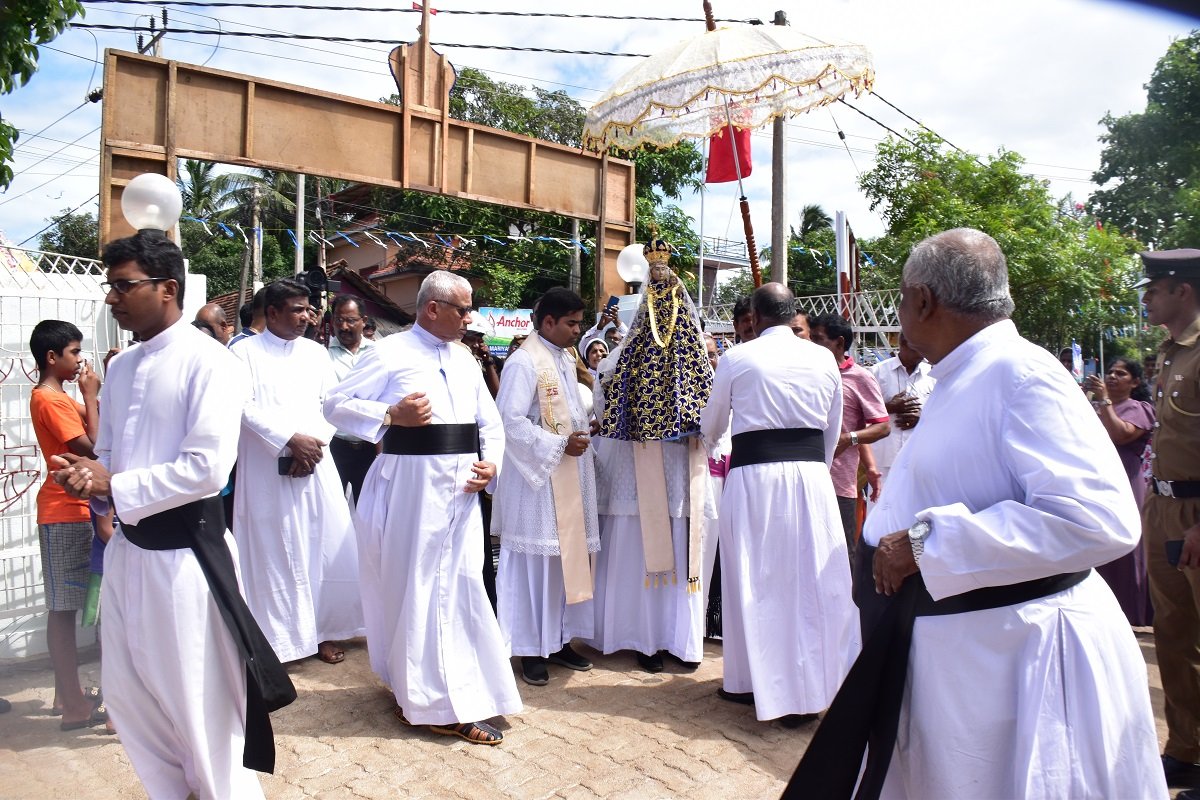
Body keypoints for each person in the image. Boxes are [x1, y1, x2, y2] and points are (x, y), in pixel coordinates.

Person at [786, 228, 1164, 799]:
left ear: (923, 301)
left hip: (1010, 663)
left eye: (900, 297)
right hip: (960, 654)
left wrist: (925, 544)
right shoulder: (962, 374)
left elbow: (1099, 518)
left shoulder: (1021, 374)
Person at [53, 232, 295, 799]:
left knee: (200, 710)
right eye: (110, 287)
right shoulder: (125, 367)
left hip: (187, 562)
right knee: (134, 698)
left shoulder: (210, 362)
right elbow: (110, 454)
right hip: (129, 554)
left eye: (123, 286)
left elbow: (207, 469)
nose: (112, 299)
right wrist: (90, 473)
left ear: (167, 289)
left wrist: (117, 482)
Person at [323, 269, 520, 745]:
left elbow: (488, 423)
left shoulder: (467, 360)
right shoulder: (390, 353)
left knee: (461, 587)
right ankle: (433, 701)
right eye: (462, 309)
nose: (469, 318)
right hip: (410, 489)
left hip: (461, 492)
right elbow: (333, 403)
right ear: (433, 308)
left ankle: (450, 687)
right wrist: (391, 415)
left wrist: (490, 463)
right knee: (421, 590)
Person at [700, 282, 858, 725]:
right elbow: (832, 428)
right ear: (793, 315)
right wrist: (814, 471)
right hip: (810, 478)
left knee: (754, 579)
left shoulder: (737, 358)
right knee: (805, 581)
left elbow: (712, 426)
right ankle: (797, 686)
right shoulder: (824, 358)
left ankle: (756, 683)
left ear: (754, 315)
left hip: (753, 479)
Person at [589, 238, 714, 673]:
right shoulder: (634, 359)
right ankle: (645, 635)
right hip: (645, 467)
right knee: (646, 545)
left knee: (671, 544)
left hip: (678, 470)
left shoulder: (690, 361)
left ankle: (668, 637)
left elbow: (709, 413)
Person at [230, 278, 364, 666]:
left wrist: (314, 443)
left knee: (320, 547)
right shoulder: (244, 353)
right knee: (275, 551)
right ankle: (280, 639)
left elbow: (332, 404)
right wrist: (290, 439)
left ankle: (322, 632)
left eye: (309, 309)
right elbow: (243, 407)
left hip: (316, 465)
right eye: (297, 309)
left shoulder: (315, 353)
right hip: (265, 469)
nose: (306, 317)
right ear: (271, 313)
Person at [492, 287, 600, 687]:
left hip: (568, 474)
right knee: (536, 566)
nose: (578, 330)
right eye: (572, 323)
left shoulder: (564, 359)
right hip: (537, 486)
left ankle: (556, 641)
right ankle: (528, 648)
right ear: (548, 322)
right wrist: (558, 444)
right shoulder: (524, 362)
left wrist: (585, 427)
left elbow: (567, 412)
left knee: (563, 563)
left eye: (579, 322)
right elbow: (510, 421)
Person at [1136, 249, 1200, 795]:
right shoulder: (1169, 353)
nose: (1146, 297)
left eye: (1154, 288)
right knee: (1174, 636)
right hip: (1165, 508)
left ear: (1183, 291)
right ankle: (1187, 748)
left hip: (1199, 512)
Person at [28, 320, 104, 732]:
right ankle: (75, 707)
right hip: (65, 510)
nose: (79, 360)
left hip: (74, 510)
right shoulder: (50, 399)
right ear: (52, 357)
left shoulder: (58, 397)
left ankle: (65, 697)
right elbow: (92, 447)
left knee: (68, 607)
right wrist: (90, 396)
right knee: (64, 609)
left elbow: (98, 431)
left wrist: (90, 397)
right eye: (73, 352)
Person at [809, 313, 890, 558]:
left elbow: (882, 426)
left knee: (841, 555)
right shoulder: (806, 374)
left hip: (838, 484)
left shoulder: (860, 377)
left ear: (840, 343)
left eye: (818, 339)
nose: (812, 345)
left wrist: (848, 439)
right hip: (804, 480)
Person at [1083, 357, 1155, 627]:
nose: (1112, 376)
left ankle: (1132, 612)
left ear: (1135, 382)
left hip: (1126, 482)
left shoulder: (1140, 408)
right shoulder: (1094, 407)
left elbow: (1120, 435)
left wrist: (1104, 401)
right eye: (1110, 372)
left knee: (1127, 549)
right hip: (1095, 484)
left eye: (1121, 373)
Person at [327, 295, 377, 503]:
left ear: (363, 321)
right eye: (338, 320)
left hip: (371, 447)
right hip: (335, 447)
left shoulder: (379, 353)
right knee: (332, 511)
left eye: (350, 320)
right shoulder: (322, 355)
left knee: (370, 512)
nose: (344, 326)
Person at [868, 333, 935, 487]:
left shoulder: (932, 375)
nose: (924, 355)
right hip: (884, 458)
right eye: (919, 349)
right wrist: (890, 407)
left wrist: (922, 418)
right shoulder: (877, 373)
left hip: (919, 458)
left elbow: (943, 413)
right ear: (905, 344)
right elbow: (862, 413)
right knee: (880, 506)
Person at [461, 324, 501, 398]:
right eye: (471, 340)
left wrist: (487, 361)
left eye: (479, 341)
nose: (476, 345)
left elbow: (496, 393)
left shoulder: (478, 362)